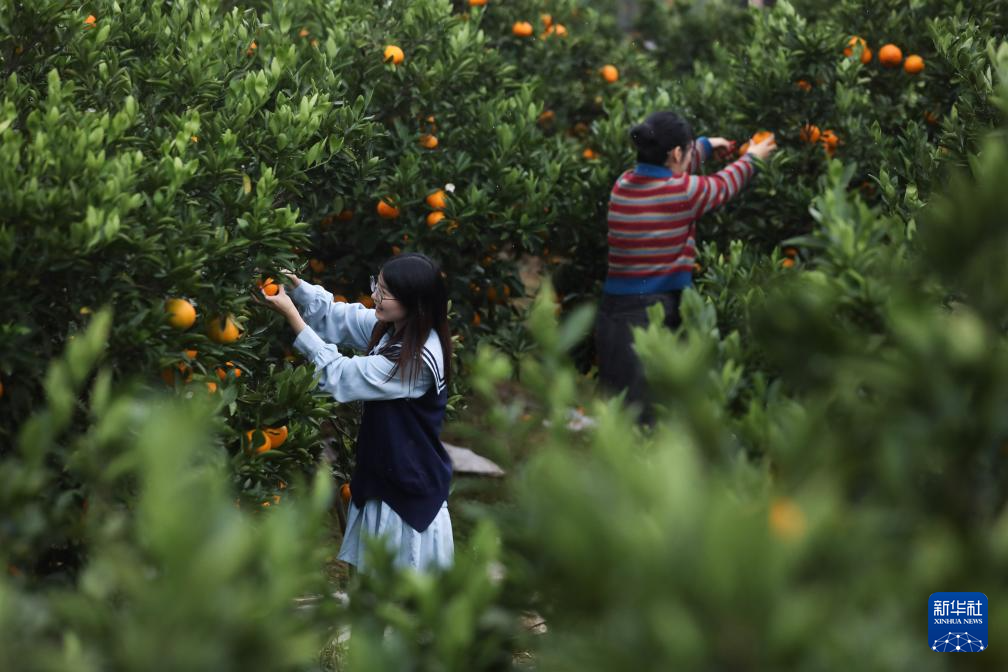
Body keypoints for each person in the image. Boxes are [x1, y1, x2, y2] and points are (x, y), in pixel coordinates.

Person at [254, 252, 454, 573]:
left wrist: (293, 318)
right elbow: (341, 317)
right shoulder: (393, 326)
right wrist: (296, 286)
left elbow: (342, 376)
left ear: (415, 303)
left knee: (400, 601)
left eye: (385, 293)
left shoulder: (418, 359)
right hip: (382, 480)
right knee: (371, 599)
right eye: (378, 284)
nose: (375, 295)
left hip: (408, 497)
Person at [595, 110, 777, 424]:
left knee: (616, 413)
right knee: (644, 420)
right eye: (689, 150)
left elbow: (669, 173)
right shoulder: (684, 193)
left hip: (612, 315)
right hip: (649, 314)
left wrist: (705, 146)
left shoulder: (623, 183)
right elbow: (723, 185)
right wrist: (753, 158)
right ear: (677, 152)